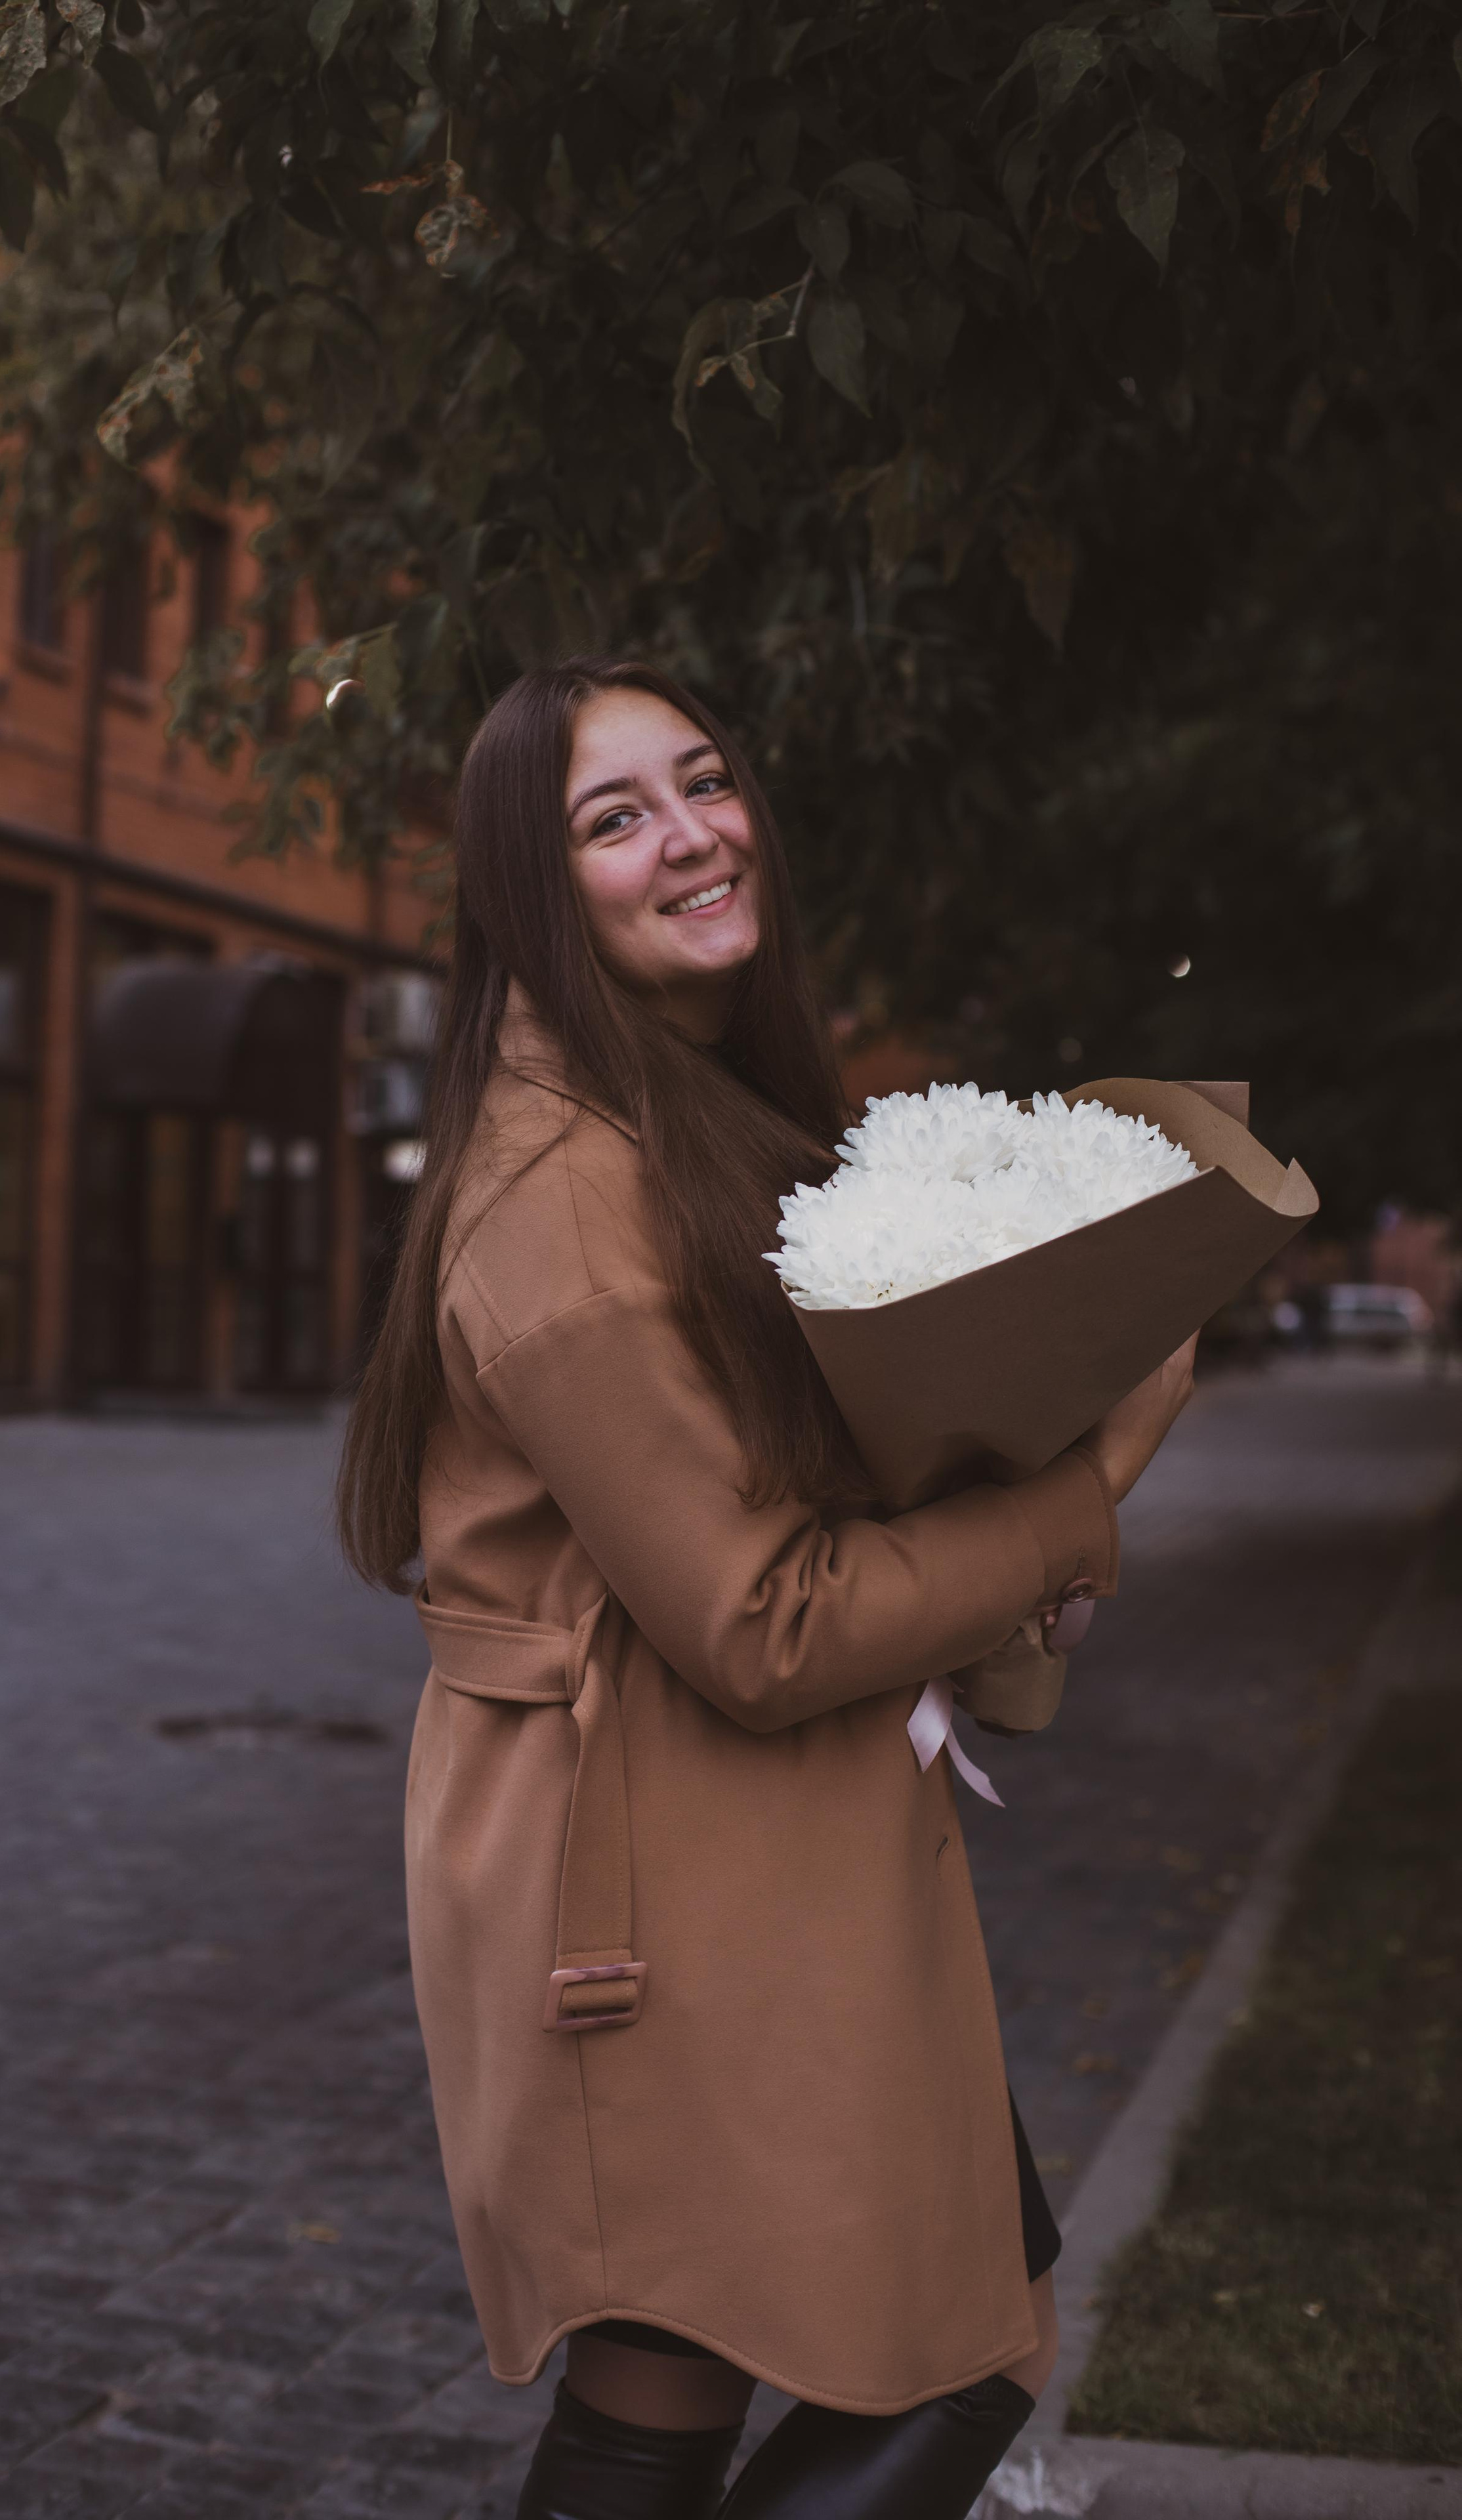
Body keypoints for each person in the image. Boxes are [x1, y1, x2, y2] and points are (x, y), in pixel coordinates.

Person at [338, 660, 1196, 2520]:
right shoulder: (558, 1189)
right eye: (612, 818)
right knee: (826, 2365)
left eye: (703, 783)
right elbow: (763, 1619)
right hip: (645, 1906)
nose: (689, 837)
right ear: (529, 893)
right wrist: (1085, 1488)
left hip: (748, 1861)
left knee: (885, 2333)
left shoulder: (686, 1111)